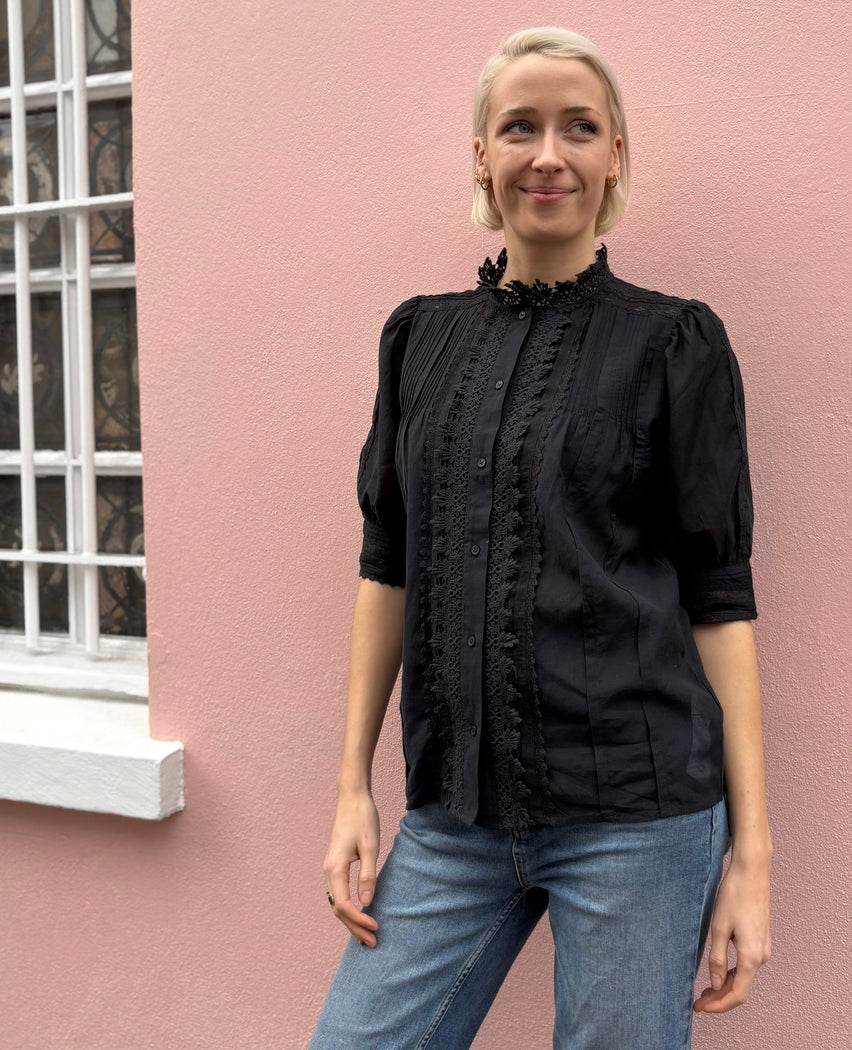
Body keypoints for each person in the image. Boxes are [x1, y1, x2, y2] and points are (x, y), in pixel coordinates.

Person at [308, 26, 773, 1050]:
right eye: (520, 127)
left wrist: (752, 855)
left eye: (579, 129)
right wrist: (352, 789)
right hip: (454, 818)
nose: (548, 155)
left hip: (639, 823)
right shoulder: (418, 338)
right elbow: (386, 567)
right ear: (483, 155)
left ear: (615, 157)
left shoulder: (675, 342)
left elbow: (719, 598)